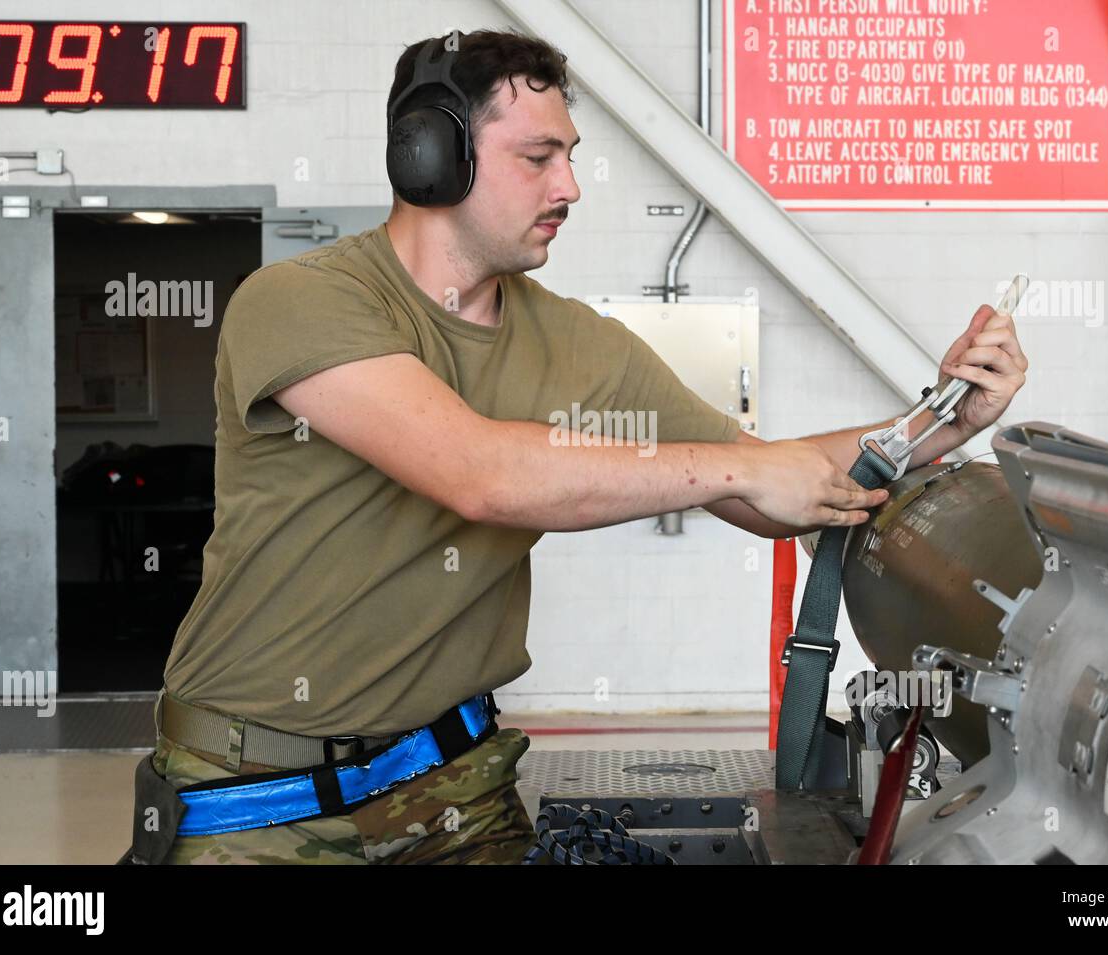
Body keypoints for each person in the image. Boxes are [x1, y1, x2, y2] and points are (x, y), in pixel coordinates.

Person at [127, 29, 1028, 865]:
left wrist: (944, 420)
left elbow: (765, 485)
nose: (570, 187)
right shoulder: (299, 301)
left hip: (454, 783)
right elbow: (478, 473)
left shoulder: (580, 345)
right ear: (430, 158)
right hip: (259, 794)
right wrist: (744, 467)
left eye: (571, 157)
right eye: (538, 158)